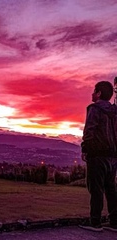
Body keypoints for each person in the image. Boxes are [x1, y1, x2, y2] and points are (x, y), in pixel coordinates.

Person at [79, 81, 117, 232]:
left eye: (94, 91)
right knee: (111, 188)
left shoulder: (94, 109)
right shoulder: (115, 112)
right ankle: (115, 222)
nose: (92, 94)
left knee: (95, 188)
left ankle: (95, 222)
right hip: (113, 157)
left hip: (97, 155)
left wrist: (85, 149)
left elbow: (90, 131)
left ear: (99, 93)